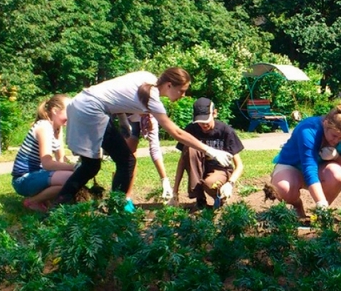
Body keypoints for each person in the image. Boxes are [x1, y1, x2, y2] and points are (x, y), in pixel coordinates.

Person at [56, 68, 232, 209]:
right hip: (91, 110)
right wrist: (210, 150)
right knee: (125, 162)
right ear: (170, 85)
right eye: (182, 91)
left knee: (92, 165)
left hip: (81, 103)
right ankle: (114, 211)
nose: (183, 95)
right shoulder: (152, 98)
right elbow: (177, 133)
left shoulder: (147, 77)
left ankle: (59, 206)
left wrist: (136, 116)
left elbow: (117, 93)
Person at [271, 103, 341, 218]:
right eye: (334, 135)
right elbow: (309, 168)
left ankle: (320, 214)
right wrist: (320, 203)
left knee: (336, 174)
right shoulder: (308, 129)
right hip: (292, 166)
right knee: (283, 189)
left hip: (321, 170)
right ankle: (297, 205)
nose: (336, 140)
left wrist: (336, 157)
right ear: (325, 124)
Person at [172, 98, 245, 209]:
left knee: (210, 183)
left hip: (220, 170)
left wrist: (230, 183)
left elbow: (239, 165)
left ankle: (221, 197)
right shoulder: (191, 130)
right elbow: (182, 161)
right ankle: (200, 199)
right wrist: (175, 192)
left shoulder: (226, 131)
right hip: (199, 169)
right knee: (190, 147)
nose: (203, 124)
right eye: (200, 121)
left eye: (206, 120)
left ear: (214, 113)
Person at [11, 94, 76, 211]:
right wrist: (75, 167)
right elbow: (47, 163)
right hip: (23, 179)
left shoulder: (57, 127)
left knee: (73, 177)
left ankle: (46, 199)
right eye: (69, 112)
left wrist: (76, 168)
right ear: (55, 111)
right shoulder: (44, 127)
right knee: (70, 178)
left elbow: (60, 158)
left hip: (37, 174)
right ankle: (32, 202)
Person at [116, 113, 173, 202]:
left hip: (141, 115)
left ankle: (124, 197)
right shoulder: (128, 104)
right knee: (128, 157)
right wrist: (123, 122)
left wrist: (165, 180)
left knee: (130, 157)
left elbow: (154, 148)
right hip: (126, 115)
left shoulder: (150, 114)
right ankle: (124, 196)